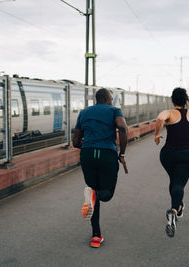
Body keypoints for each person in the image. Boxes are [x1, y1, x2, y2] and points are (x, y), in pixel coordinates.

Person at [73, 88, 128, 248]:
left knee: (93, 194)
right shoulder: (114, 110)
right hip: (107, 155)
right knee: (106, 194)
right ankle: (94, 195)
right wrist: (122, 154)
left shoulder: (84, 113)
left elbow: (76, 141)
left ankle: (96, 236)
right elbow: (123, 128)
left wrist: (88, 145)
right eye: (111, 99)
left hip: (88, 154)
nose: (112, 101)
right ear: (108, 99)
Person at [154, 87, 189, 238]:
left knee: (174, 181)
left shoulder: (169, 113)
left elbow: (160, 118)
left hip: (167, 155)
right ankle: (174, 210)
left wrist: (157, 134)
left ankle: (178, 208)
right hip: (185, 156)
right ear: (186, 100)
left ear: (172, 100)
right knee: (178, 184)